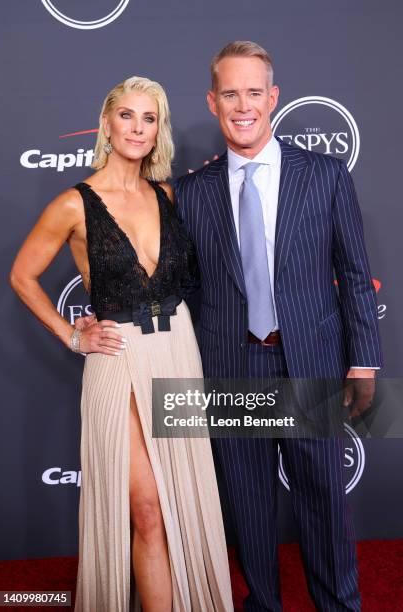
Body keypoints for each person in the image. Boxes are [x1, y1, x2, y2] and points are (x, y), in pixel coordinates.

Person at [9, 76, 234, 612]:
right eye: (127, 116)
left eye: (149, 118)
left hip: (178, 349)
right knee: (148, 508)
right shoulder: (73, 203)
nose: (138, 128)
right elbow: (22, 275)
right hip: (120, 358)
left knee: (179, 501)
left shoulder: (169, 195)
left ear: (160, 131)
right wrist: (72, 334)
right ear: (107, 124)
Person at [173, 42, 382, 611]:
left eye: (254, 92)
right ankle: (263, 603)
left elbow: (355, 274)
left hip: (309, 361)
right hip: (230, 366)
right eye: (231, 94)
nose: (244, 106)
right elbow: (182, 287)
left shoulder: (326, 175)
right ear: (214, 102)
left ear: (274, 97)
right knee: (248, 505)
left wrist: (363, 361)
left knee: (323, 499)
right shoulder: (191, 193)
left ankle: (338, 605)